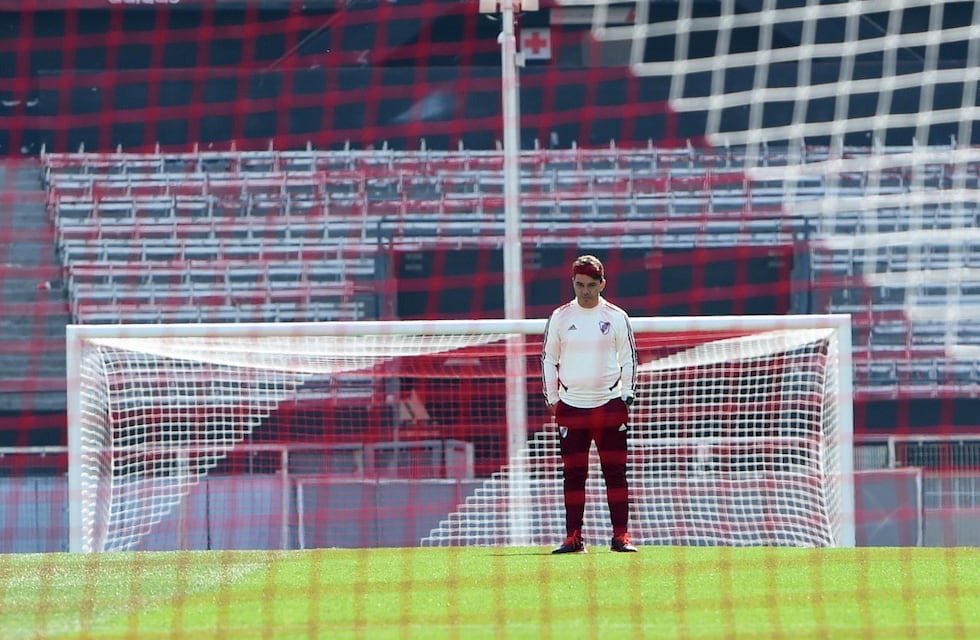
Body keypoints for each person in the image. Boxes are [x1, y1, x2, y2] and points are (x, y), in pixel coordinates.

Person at [541, 254, 638, 554]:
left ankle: (620, 536)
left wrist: (626, 396)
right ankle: (574, 537)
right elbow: (548, 359)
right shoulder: (560, 317)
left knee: (615, 472)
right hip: (572, 406)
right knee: (573, 474)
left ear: (602, 284)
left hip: (609, 404)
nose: (585, 291)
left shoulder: (616, 317)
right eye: (580, 284)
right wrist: (553, 398)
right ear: (572, 282)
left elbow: (629, 359)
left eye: (591, 285)